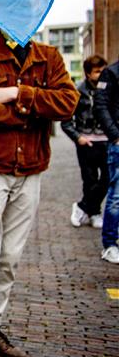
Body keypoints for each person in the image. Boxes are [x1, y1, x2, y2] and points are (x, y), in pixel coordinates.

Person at [0, 19, 77, 357]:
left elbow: (69, 102)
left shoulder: (50, 57)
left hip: (29, 169)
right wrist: (38, 110)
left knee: (9, 257)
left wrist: (16, 94)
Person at [62, 54, 109, 228]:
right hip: (86, 142)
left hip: (106, 141)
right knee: (89, 180)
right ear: (88, 73)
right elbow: (66, 122)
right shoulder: (77, 92)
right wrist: (78, 138)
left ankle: (83, 207)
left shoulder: (109, 89)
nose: (101, 75)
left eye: (103, 71)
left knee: (107, 179)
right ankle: (95, 213)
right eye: (97, 72)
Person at [94, 57, 119, 264]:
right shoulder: (111, 73)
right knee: (116, 195)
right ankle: (110, 244)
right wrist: (116, 136)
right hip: (118, 144)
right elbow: (100, 106)